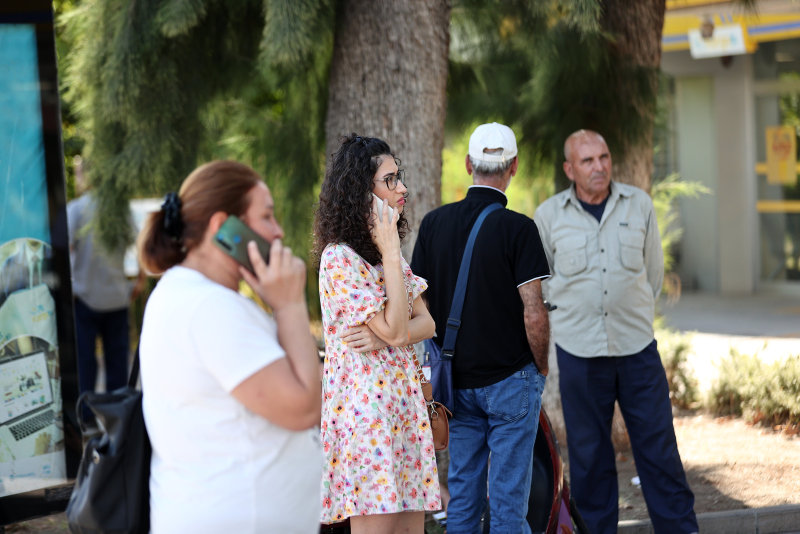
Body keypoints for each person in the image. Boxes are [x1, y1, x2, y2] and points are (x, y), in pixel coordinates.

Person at [137, 160, 322, 533]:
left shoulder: (190, 294)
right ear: (224, 227)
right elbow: (304, 408)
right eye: (266, 216)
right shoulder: (209, 307)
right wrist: (289, 305)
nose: (278, 231)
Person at [533, 129, 698, 534]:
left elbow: (653, 275)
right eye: (587, 160)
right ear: (569, 169)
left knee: (660, 453)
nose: (599, 167)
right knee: (589, 461)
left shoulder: (638, 204)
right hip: (579, 353)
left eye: (604, 157)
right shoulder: (549, 215)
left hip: (637, 348)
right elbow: (542, 284)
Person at [411, 122, 550, 533]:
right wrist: (541, 367)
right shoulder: (520, 229)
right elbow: (534, 312)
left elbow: (421, 305)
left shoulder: (433, 224)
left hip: (455, 385)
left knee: (463, 500)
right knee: (508, 505)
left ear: (469, 165)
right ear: (514, 167)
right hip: (510, 381)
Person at [314, 134, 440, 533]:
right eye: (390, 180)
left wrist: (383, 335)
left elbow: (427, 323)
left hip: (404, 409)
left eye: (398, 177)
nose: (402, 188)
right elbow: (401, 331)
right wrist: (392, 332)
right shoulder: (340, 258)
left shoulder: (388, 255)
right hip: (367, 418)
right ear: (360, 191)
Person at [67, 157, 141, 399]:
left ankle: (86, 416)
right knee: (118, 367)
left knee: (85, 365)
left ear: (85, 175)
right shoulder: (119, 209)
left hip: (85, 297)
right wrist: (140, 280)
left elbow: (63, 248)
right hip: (117, 296)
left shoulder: (77, 209)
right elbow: (140, 243)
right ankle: (118, 416)